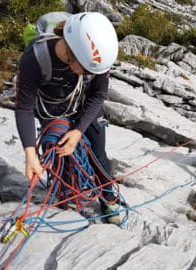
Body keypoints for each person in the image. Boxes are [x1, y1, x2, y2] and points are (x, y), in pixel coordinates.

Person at [15, 12, 120, 224]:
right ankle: (67, 194)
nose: (90, 75)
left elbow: (98, 94)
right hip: (52, 109)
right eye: (87, 70)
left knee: (98, 156)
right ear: (72, 53)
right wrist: (30, 154)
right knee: (58, 153)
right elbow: (24, 107)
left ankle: (108, 198)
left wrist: (78, 131)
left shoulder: (95, 61)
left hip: (86, 106)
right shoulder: (35, 59)